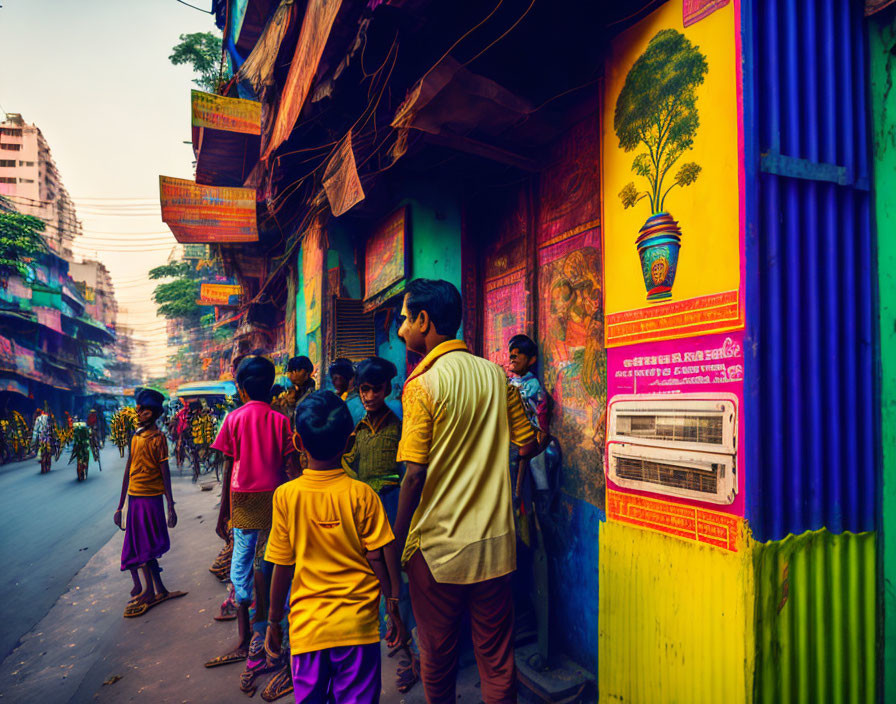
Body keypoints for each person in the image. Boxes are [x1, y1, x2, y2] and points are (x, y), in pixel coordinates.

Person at [392, 278, 537, 704]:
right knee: (496, 658)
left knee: (437, 657)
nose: (401, 329)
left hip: (437, 549)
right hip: (494, 545)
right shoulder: (497, 375)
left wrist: (395, 541)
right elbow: (526, 443)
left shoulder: (422, 385)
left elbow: (414, 476)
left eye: (404, 319)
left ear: (423, 320)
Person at [263, 391, 407, 703]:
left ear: (298, 443)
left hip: (307, 627)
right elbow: (380, 556)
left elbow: (282, 566)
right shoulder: (363, 494)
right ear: (351, 442)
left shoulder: (285, 496)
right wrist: (393, 605)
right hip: (358, 626)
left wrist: (273, 621)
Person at [205, 356, 296, 668]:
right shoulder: (282, 420)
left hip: (242, 499)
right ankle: (271, 629)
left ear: (241, 389)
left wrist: (223, 513)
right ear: (269, 386)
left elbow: (229, 464)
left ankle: (245, 636)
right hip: (275, 498)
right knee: (271, 561)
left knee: (241, 565)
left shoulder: (233, 419)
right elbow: (290, 466)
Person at [341, 356, 419, 692]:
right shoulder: (356, 429)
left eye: (376, 389)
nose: (370, 396)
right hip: (366, 512)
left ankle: (415, 656)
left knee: (402, 579)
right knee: (380, 580)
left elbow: (408, 472)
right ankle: (396, 634)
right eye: (364, 390)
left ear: (388, 389)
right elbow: (347, 463)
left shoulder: (398, 425)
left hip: (394, 506)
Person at [114, 389, 186, 618]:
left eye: (144, 410)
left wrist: (171, 505)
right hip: (135, 498)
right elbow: (128, 470)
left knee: (145, 547)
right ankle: (160, 590)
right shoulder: (136, 437)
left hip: (151, 499)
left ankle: (149, 591)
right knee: (140, 546)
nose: (140, 413)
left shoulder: (158, 439)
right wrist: (120, 506)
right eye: (139, 409)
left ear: (153, 414)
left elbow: (165, 473)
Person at [272, 356, 316, 426]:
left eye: (297, 370)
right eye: (290, 371)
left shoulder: (313, 395)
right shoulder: (286, 391)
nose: (291, 374)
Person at [329, 358, 365, 424]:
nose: (338, 383)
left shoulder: (357, 403)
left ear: (352, 378)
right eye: (335, 378)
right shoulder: (332, 397)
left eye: (341, 378)